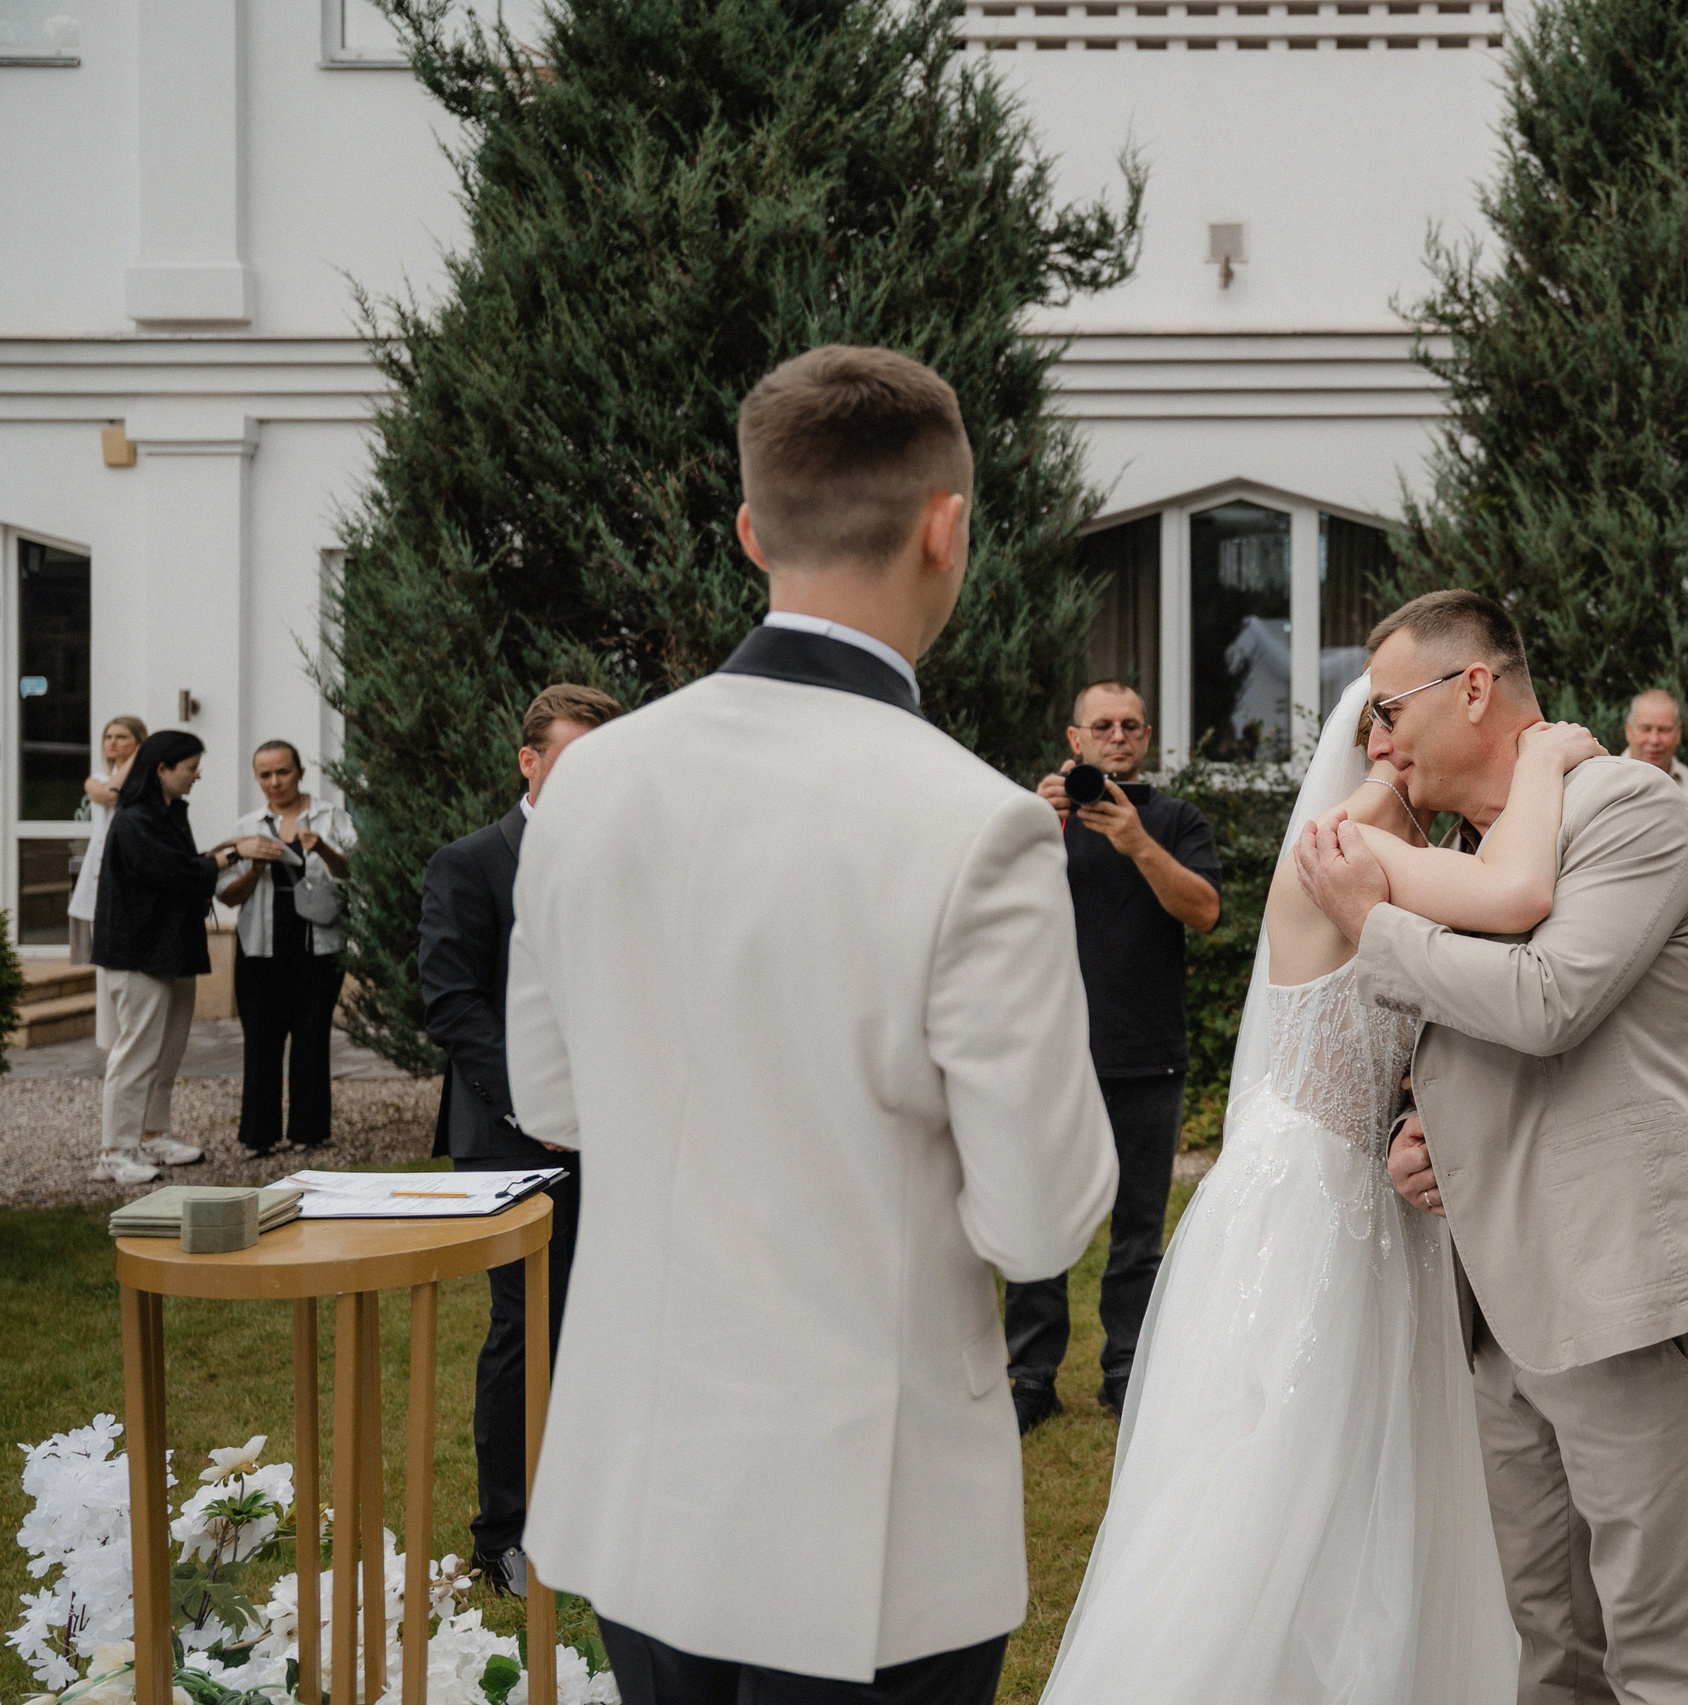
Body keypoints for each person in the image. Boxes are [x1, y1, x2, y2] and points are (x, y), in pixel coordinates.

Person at [510, 346, 1117, 1705]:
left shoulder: (589, 785)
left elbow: (552, 1097)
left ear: (749, 531)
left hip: (646, 1480)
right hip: (867, 1522)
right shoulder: (980, 827)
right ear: (946, 524)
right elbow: (1039, 1221)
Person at [1040, 676, 1605, 1704]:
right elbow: (1519, 898)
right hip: (1310, 1192)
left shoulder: (1411, 852)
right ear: (1385, 748)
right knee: (1286, 1459)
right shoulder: (1349, 849)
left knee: (1382, 1452)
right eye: (1401, 733)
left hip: (1379, 1185)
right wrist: (1547, 764)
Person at [1297, 591, 1688, 1702]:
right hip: (1493, 1307)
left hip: (1617, 1286)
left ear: (1473, 687)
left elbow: (1550, 1001)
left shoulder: (1632, 810)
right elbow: (1466, 1039)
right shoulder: (1464, 853)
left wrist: (1375, 924)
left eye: (1388, 707)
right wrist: (1419, 1128)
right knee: (1546, 1642)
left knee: (1661, 1642)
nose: (1376, 738)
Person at [418, 682, 623, 1590]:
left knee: (609, 1321)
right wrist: (539, 1106)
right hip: (513, 1140)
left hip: (621, 1133)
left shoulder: (629, 858)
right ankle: (504, 1530)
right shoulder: (467, 864)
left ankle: (598, 1509)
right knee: (526, 1324)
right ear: (529, 762)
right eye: (571, 757)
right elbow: (452, 1006)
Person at [1010, 680, 1221, 1432]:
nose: (1119, 736)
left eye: (1132, 724)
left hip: (1145, 1051)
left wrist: (1136, 842)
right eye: (1104, 725)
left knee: (1138, 1231)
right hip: (1050, 1055)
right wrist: (1032, 823)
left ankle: (1126, 1369)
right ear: (1076, 741)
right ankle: (1030, 1375)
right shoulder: (1037, 821)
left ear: (1148, 735)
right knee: (1039, 1218)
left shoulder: (1174, 819)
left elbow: (1203, 910)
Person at [89, 730, 246, 1187]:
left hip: (173, 950)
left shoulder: (170, 814)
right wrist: (231, 855)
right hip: (138, 954)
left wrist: (217, 857)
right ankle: (115, 1151)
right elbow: (172, 873)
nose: (197, 776)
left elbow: (185, 870)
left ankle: (154, 1134)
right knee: (136, 1052)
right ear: (162, 769)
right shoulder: (134, 818)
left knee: (167, 1053)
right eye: (190, 768)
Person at [222, 742, 356, 1157]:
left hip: (317, 942)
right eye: (265, 775)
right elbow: (228, 897)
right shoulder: (248, 825)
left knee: (311, 1037)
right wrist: (256, 868)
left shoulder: (331, 818)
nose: (275, 782)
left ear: (299, 771)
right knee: (260, 1039)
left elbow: (355, 872)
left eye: (282, 772)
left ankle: (309, 1130)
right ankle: (258, 1136)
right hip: (261, 946)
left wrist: (322, 849)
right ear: (257, 778)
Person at [67, 715, 147, 1050]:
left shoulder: (146, 781)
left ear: (138, 741)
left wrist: (141, 759)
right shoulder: (96, 779)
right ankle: (110, 1038)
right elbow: (108, 794)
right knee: (106, 960)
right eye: (108, 737)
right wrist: (136, 757)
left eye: (123, 737)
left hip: (133, 879)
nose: (112, 743)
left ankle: (134, 1030)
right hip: (100, 879)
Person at [1623, 687, 1688, 873]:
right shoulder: (1599, 783)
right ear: (1628, 730)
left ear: (1678, 733)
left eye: (1664, 730)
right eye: (1646, 729)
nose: (1654, 740)